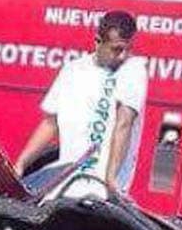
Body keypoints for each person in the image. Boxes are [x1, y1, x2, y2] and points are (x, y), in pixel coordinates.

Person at [14, 11, 148, 195]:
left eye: (128, 49)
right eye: (116, 49)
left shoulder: (134, 69)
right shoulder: (73, 70)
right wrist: (21, 164)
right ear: (98, 41)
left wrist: (110, 179)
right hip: (67, 182)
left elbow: (124, 123)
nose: (123, 56)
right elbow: (51, 123)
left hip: (102, 189)